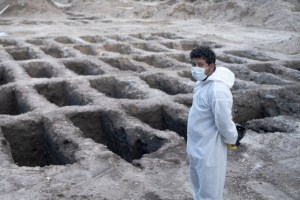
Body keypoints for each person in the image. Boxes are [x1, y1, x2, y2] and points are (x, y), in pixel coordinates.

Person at [187, 46, 238, 200]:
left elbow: (224, 122)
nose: (196, 68)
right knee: (198, 186)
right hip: (196, 144)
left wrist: (232, 139)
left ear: (211, 67)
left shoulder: (218, 90)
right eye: (194, 64)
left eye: (200, 65)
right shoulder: (202, 82)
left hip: (210, 148)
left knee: (210, 191)